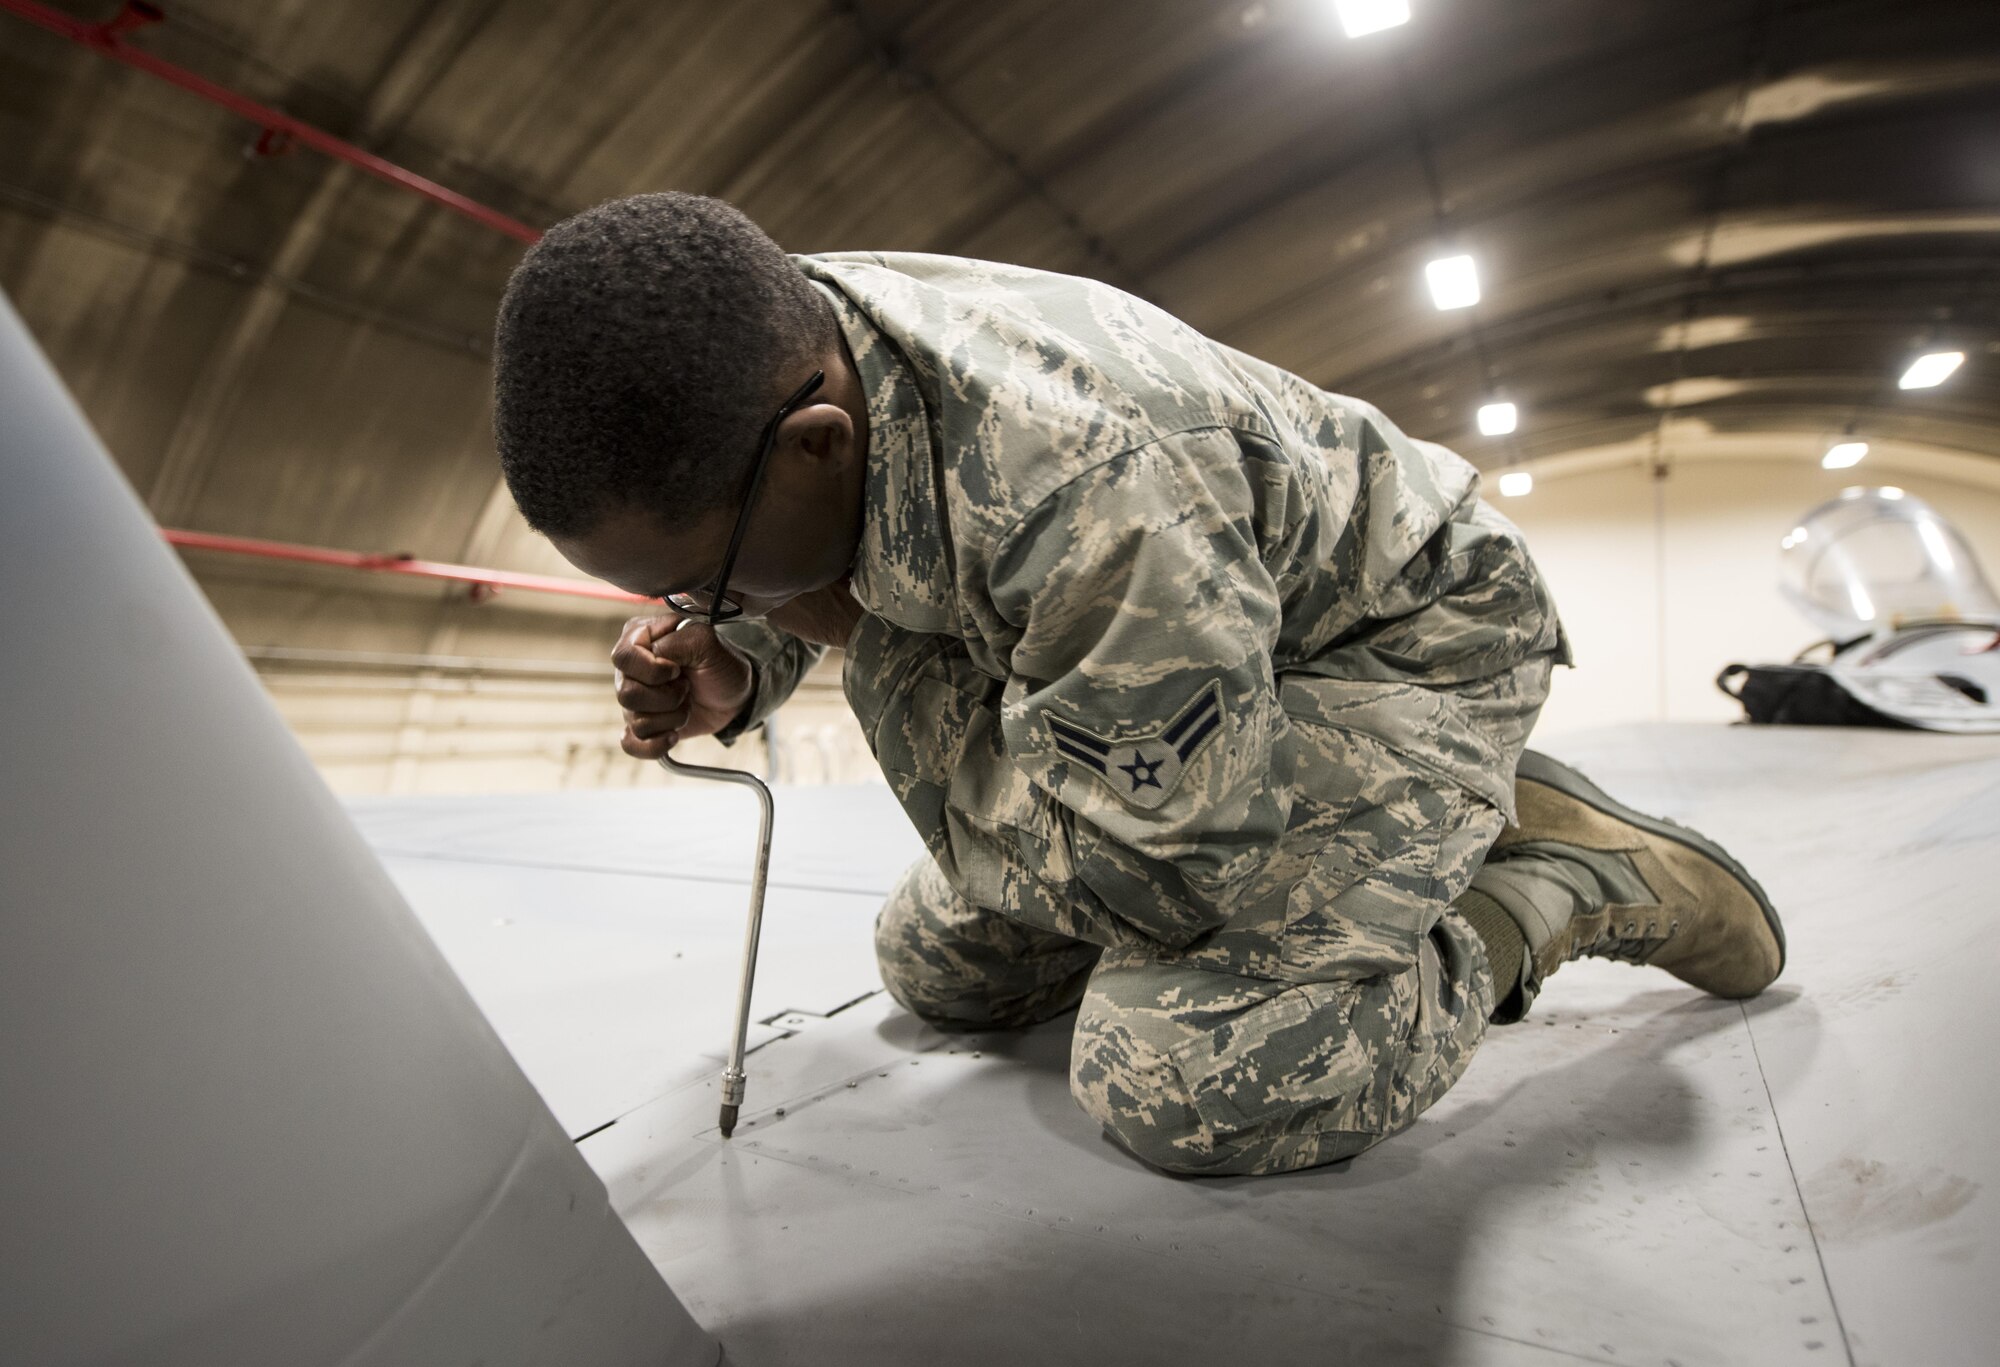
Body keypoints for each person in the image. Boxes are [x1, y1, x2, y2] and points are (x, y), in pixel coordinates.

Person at [491, 193, 1784, 1176]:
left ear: (819, 443)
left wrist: (839, 634)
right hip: (1178, 652)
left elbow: (1166, 870)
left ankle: (1554, 877)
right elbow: (829, 546)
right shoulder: (786, 349)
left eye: (705, 583)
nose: (690, 616)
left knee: (1187, 1080)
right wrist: (740, 654)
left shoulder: (1084, 483)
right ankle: (1393, 844)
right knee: (937, 973)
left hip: (1387, 646)